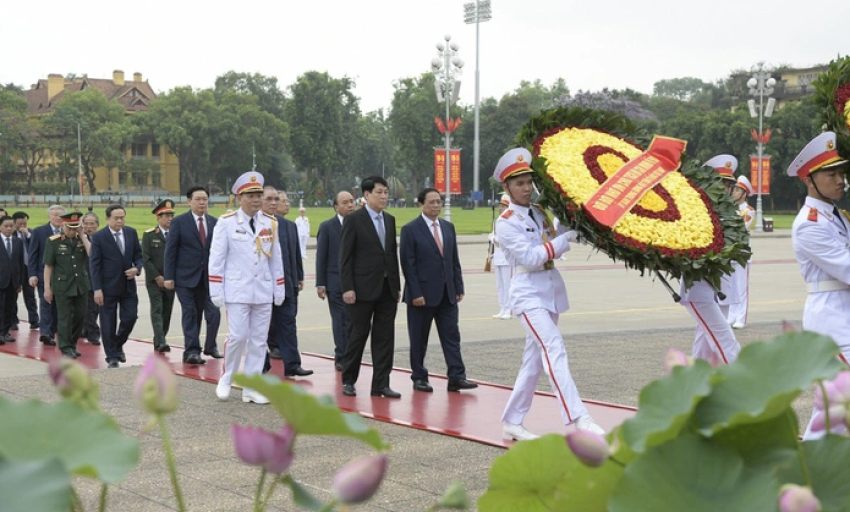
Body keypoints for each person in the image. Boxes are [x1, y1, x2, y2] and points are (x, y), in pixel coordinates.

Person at [493, 148, 604, 441]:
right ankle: (579, 418)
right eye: (519, 183)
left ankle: (512, 421)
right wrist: (566, 239)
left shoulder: (539, 211)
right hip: (528, 294)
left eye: (529, 181)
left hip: (549, 292)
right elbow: (531, 258)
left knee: (533, 361)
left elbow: (552, 237)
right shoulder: (506, 222)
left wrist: (572, 214)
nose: (527, 188)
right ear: (506, 187)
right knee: (553, 347)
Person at [785, 132, 850, 439]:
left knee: (834, 404)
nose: (840, 180)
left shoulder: (837, 216)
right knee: (840, 397)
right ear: (809, 180)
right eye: (831, 174)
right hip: (831, 320)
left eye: (841, 172)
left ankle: (811, 463)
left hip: (843, 314)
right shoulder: (809, 224)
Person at [210, 172, 285, 404]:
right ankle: (226, 377)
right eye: (251, 195)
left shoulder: (270, 223)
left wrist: (278, 287)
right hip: (237, 290)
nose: (256, 200)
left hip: (262, 290)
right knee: (238, 336)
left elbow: (276, 258)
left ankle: (251, 387)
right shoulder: (227, 223)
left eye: (258, 195)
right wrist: (216, 289)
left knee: (259, 340)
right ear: (239, 197)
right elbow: (217, 258)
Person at [400, 188, 477, 393]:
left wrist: (458, 286)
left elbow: (453, 261)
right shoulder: (410, 229)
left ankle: (456, 376)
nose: (436, 205)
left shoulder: (448, 227)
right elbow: (408, 265)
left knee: (452, 336)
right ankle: (419, 377)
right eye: (432, 202)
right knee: (419, 339)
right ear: (420, 204)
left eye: (438, 201)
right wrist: (415, 293)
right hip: (422, 297)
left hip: (447, 294)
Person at [339, 176, 402, 398]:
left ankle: (381, 384)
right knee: (358, 335)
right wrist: (348, 287)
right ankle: (348, 379)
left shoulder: (391, 220)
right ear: (366, 195)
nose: (384, 196)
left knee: (385, 337)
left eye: (386, 192)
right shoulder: (354, 220)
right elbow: (345, 257)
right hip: (361, 290)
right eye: (379, 192)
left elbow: (392, 255)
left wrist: (396, 285)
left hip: (387, 289)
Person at [679, 155, 742, 366]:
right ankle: (746, 385)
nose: (726, 189)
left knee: (704, 347)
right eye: (721, 184)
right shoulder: (696, 213)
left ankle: (691, 389)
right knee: (725, 339)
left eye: (729, 185)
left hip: (723, 288)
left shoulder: (729, 214)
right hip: (700, 288)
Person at [163, 186, 222, 364]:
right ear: (189, 201)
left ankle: (210, 345)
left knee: (214, 314)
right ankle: (192, 351)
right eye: (198, 199)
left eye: (204, 199)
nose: (202, 202)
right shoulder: (180, 222)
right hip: (185, 278)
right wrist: (168, 276)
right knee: (190, 313)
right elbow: (170, 250)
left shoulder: (215, 222)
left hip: (209, 279)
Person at [260, 187, 311, 377]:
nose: (273, 203)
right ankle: (262, 365)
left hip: (286, 285)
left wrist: (298, 277)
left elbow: (295, 254)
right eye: (269, 199)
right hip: (263, 286)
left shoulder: (288, 226)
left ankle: (293, 364)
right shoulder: (255, 225)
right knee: (261, 328)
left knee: (288, 325)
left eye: (276, 200)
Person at [90, 204, 143, 368]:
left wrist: (137, 268)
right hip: (107, 287)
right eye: (116, 218)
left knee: (130, 317)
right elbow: (95, 265)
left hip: (128, 286)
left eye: (122, 217)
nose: (120, 221)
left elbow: (139, 256)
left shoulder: (131, 232)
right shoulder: (99, 237)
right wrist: (97, 289)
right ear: (107, 219)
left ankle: (118, 342)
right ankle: (111, 356)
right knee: (108, 323)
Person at [316, 190, 355, 371]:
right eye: (345, 202)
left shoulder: (360, 224)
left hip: (357, 284)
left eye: (352, 201)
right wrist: (321, 283)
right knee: (340, 321)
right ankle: (342, 356)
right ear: (336, 207)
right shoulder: (327, 227)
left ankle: (352, 354)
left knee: (353, 321)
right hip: (335, 283)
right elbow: (321, 256)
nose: (350, 205)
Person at [43, 212, 91, 358]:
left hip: (81, 285)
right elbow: (48, 266)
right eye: (70, 228)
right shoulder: (53, 241)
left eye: (75, 228)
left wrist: (83, 236)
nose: (72, 231)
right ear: (63, 225)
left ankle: (72, 343)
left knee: (81, 315)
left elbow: (92, 255)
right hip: (62, 286)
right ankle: (65, 347)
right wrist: (47, 288)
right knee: (64, 317)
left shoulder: (82, 240)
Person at [142, 199, 176, 353]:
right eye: (165, 215)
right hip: (154, 280)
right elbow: (146, 259)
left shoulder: (176, 234)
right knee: (157, 308)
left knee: (167, 311)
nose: (169, 218)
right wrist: (157, 277)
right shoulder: (149, 235)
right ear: (158, 217)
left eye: (171, 215)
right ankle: (161, 341)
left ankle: (159, 339)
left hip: (171, 280)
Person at [28, 205, 65, 345]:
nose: (57, 218)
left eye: (60, 215)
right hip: (43, 274)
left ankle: (53, 329)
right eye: (55, 215)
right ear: (49, 216)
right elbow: (32, 254)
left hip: (62, 276)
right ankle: (45, 333)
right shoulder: (39, 232)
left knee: (58, 305)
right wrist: (32, 274)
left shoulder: (67, 232)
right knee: (46, 302)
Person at [727, 176, 755, 329]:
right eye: (734, 189)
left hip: (742, 254)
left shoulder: (749, 211)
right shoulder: (731, 209)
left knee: (741, 288)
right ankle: (731, 315)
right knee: (732, 288)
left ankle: (741, 318)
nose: (734, 192)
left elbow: (740, 228)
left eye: (737, 190)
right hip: (731, 254)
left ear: (744, 194)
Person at [0, 215, 26, 344]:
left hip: (13, 281)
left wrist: (20, 281)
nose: (9, 229)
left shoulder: (18, 242)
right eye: (6, 226)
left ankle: (5, 332)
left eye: (11, 226)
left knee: (10, 307)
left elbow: (20, 263)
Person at [11, 211, 38, 331]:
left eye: (24, 224)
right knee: (13, 296)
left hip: (28, 268)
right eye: (20, 224)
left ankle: (34, 320)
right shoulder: (10, 234)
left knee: (30, 295)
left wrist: (28, 235)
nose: (22, 226)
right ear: (14, 222)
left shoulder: (30, 233)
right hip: (16, 268)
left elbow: (36, 246)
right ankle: (13, 320)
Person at [488, 194, 513, 320]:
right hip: (498, 256)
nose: (500, 208)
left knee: (508, 285)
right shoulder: (498, 220)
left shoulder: (510, 220)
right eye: (500, 206)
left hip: (506, 258)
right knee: (500, 285)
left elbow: (505, 239)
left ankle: (509, 309)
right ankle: (502, 307)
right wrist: (492, 236)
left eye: (503, 206)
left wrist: (493, 238)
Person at [80, 212, 101, 346]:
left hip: (98, 278)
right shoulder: (78, 239)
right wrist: (82, 236)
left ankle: (87, 329)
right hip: (83, 278)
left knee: (95, 308)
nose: (89, 226)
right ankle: (93, 332)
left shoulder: (101, 238)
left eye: (92, 223)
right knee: (88, 309)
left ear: (97, 225)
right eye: (86, 224)